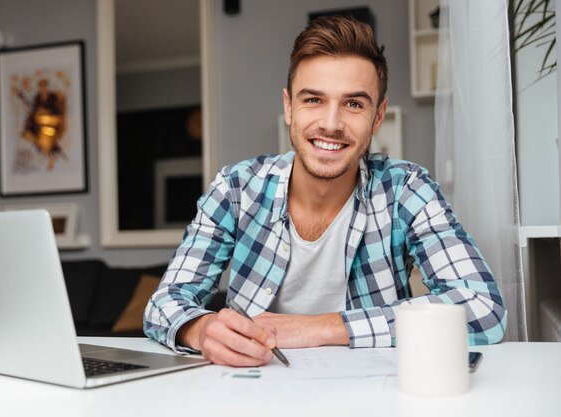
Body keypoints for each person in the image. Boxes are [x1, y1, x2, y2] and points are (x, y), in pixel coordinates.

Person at [144, 16, 506, 367]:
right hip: (252, 392)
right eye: (313, 100)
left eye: (353, 104)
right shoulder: (237, 189)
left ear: (378, 116)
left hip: (372, 397)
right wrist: (201, 328)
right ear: (289, 106)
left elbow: (484, 308)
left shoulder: (406, 190)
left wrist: (321, 327)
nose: (331, 124)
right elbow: (165, 302)